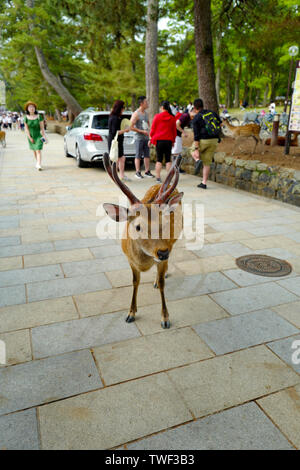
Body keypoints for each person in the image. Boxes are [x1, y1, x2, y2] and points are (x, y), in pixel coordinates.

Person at [191, 98, 221, 189]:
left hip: (203, 141)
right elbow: (220, 123)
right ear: (202, 105)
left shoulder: (196, 118)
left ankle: (197, 160)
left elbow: (196, 136)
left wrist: (196, 149)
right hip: (214, 140)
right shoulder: (212, 113)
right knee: (207, 162)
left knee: (191, 150)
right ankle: (203, 183)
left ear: (195, 107)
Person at [149, 100, 177, 183]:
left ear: (162, 107)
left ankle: (158, 177)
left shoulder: (157, 117)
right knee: (168, 160)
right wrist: (173, 141)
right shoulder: (172, 118)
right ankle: (169, 178)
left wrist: (151, 138)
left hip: (159, 141)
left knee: (159, 160)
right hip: (168, 141)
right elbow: (174, 132)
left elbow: (153, 129)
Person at [130, 96, 155, 179]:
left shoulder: (146, 114)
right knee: (138, 155)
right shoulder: (136, 114)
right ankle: (137, 172)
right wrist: (141, 131)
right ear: (141, 103)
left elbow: (148, 125)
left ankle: (147, 171)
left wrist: (150, 136)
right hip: (139, 138)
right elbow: (131, 127)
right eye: (146, 102)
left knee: (147, 155)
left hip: (146, 138)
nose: (147, 103)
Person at [108, 100, 130, 181]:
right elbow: (115, 132)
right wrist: (125, 130)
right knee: (116, 159)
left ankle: (120, 175)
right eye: (123, 107)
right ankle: (116, 176)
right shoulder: (114, 118)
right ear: (120, 108)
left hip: (117, 141)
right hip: (115, 141)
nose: (124, 109)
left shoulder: (114, 117)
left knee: (120, 158)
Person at [172, 107, 197, 174]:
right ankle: (175, 169)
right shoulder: (185, 116)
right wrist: (183, 132)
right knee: (176, 152)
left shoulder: (189, 117)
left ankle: (177, 168)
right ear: (192, 111)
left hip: (178, 135)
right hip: (175, 135)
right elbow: (177, 124)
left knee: (178, 152)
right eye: (195, 113)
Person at [24, 101, 47, 170]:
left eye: (33, 107)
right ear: (27, 109)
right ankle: (37, 162)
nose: (31, 108)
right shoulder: (26, 117)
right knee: (34, 150)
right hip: (31, 136)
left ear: (35, 108)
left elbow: (42, 128)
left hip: (39, 136)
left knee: (38, 150)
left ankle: (39, 164)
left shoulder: (39, 117)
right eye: (30, 107)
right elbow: (26, 129)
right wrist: (30, 137)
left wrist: (44, 136)